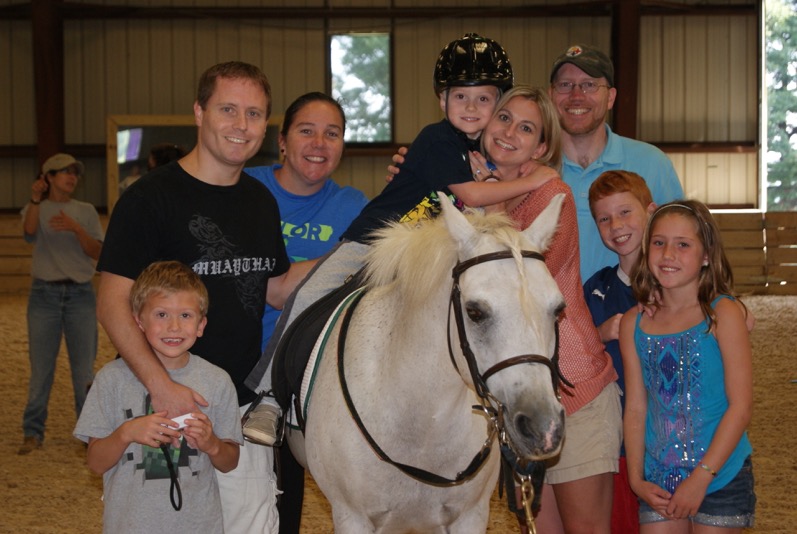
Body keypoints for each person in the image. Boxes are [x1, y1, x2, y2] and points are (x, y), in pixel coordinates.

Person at [253, 34, 556, 447]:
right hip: (372, 242)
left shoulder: (480, 156)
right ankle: (268, 397)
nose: (471, 107)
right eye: (461, 96)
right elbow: (470, 197)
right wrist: (537, 177)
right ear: (441, 100)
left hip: (418, 258)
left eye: (484, 100)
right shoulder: (436, 140)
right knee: (308, 296)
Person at [96, 61, 311, 533]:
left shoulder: (259, 200)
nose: (241, 125)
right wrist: (161, 387)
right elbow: (112, 302)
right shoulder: (150, 198)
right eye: (228, 109)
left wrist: (347, 255)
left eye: (254, 114)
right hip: (164, 407)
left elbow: (273, 290)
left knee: (250, 523)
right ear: (199, 111)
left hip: (239, 407)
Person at [474, 86, 620, 534]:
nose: (508, 133)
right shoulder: (473, 190)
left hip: (574, 391)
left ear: (540, 147)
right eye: (503, 118)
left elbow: (523, 282)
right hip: (520, 393)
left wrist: (492, 203)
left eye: (526, 128)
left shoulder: (550, 195)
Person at [242, 91, 369, 534]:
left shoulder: (353, 206)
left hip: (302, 380)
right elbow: (274, 293)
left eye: (332, 134)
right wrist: (342, 255)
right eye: (307, 130)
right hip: (237, 362)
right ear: (281, 140)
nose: (319, 143)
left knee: (283, 504)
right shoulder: (248, 188)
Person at [74, 261, 242, 533]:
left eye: (186, 316)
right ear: (138, 321)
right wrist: (126, 433)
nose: (174, 327)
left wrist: (211, 444)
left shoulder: (217, 381)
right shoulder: (111, 379)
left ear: (201, 325)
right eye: (161, 315)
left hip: (198, 526)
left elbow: (229, 461)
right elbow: (95, 463)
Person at [619, 200, 755, 532]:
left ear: (706, 254)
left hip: (719, 474)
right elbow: (636, 407)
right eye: (659, 242)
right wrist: (636, 479)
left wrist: (701, 478)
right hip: (658, 479)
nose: (668, 254)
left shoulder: (723, 314)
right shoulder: (634, 323)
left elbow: (740, 406)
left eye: (683, 244)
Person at [548, 44, 684, 282]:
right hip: (551, 318)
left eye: (589, 85)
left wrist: (720, 303)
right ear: (551, 95)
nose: (576, 95)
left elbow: (686, 245)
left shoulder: (652, 162)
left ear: (610, 97)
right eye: (565, 85)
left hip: (629, 315)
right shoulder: (531, 169)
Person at [583, 170, 657, 534]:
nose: (617, 225)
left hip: (673, 443)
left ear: (651, 212)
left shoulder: (680, 285)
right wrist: (600, 333)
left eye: (626, 212)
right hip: (620, 447)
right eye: (604, 218)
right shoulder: (595, 288)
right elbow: (571, 354)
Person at [19, 153, 104, 455]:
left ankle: (87, 432)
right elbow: (29, 233)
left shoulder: (86, 211)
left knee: (84, 372)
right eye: (64, 172)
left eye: (74, 173)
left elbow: (97, 252)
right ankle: (32, 432)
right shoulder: (36, 209)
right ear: (48, 178)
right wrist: (35, 199)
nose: (71, 177)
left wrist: (76, 228)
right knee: (41, 370)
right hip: (43, 297)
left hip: (80, 295)